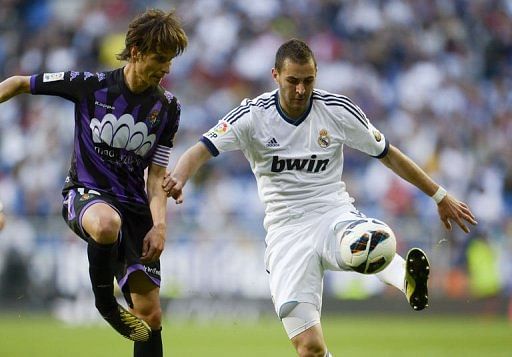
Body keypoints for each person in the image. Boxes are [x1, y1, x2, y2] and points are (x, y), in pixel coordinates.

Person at [163, 39, 478, 357]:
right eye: (293, 81)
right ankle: (397, 275)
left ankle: (405, 279)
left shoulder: (336, 110)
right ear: (275, 75)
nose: (301, 90)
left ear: (317, 75)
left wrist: (439, 195)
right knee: (309, 348)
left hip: (332, 213)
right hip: (285, 233)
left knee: (371, 239)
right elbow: (202, 148)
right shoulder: (253, 116)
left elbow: (388, 154)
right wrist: (179, 176)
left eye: (308, 81)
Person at [0, 8, 188, 357]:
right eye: (160, 59)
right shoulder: (91, 86)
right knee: (105, 224)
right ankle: (105, 302)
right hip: (86, 196)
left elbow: (157, 176)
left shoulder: (168, 108)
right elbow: (20, 83)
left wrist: (159, 226)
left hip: (135, 212)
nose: (165, 69)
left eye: (170, 61)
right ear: (135, 52)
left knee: (150, 317)